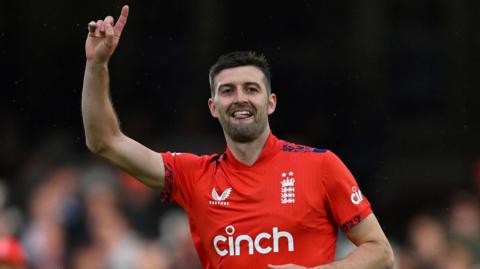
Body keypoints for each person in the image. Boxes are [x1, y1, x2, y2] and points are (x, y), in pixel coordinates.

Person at [82, 5, 394, 269]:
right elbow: (105, 142)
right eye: (227, 91)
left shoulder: (321, 166)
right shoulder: (194, 176)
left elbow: (381, 252)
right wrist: (97, 65)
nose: (240, 98)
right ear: (213, 107)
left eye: (251, 89)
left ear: (270, 102)